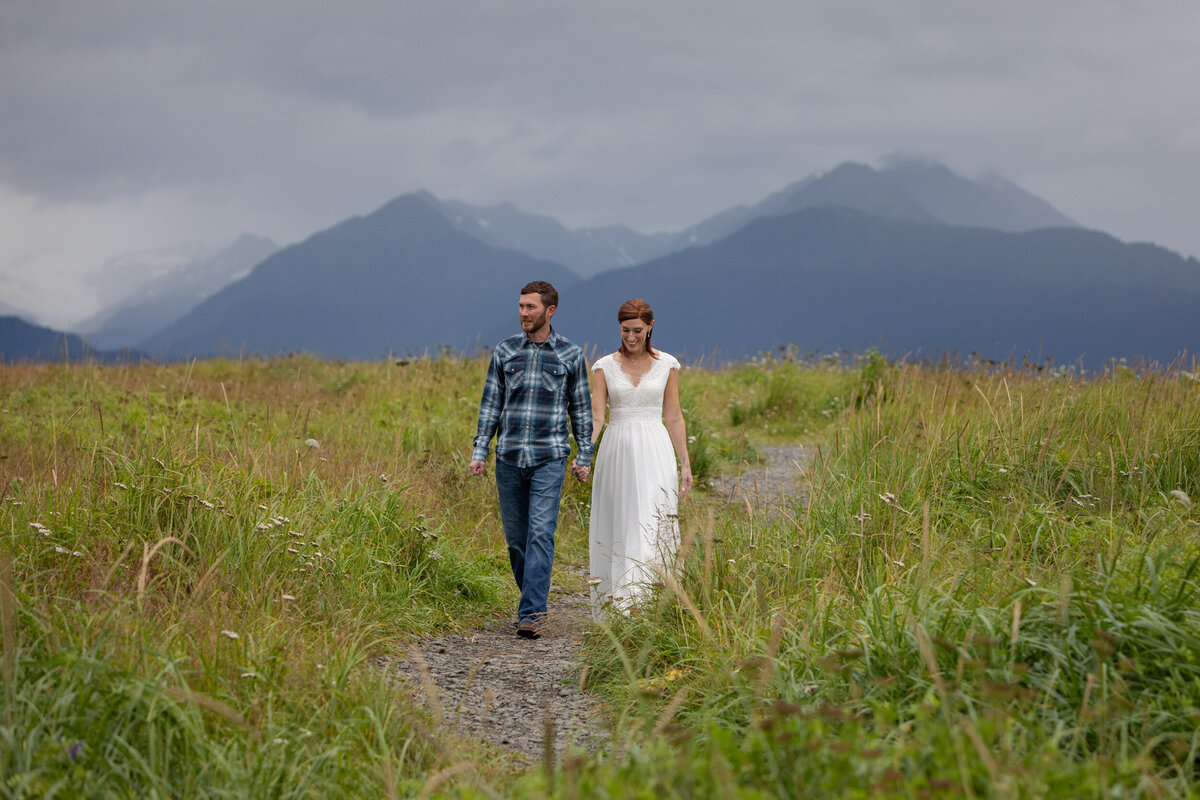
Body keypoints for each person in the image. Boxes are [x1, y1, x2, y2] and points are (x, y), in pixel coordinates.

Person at [470, 281, 593, 639]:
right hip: (508, 458)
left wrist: (584, 454)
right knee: (516, 540)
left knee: (541, 533)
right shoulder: (505, 351)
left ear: (549, 311)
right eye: (521, 306)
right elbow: (491, 404)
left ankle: (532, 613)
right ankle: (533, 595)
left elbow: (581, 410)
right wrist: (481, 450)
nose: (524, 313)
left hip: (549, 458)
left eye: (531, 308)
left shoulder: (570, 355)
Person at [587, 298, 692, 612]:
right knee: (620, 522)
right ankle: (619, 603)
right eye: (625, 330)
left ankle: (650, 603)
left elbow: (673, 416)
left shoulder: (668, 365)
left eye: (637, 330)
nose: (631, 337)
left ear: (650, 328)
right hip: (616, 449)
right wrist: (584, 454)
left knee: (652, 520)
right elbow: (597, 418)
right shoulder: (603, 367)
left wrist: (685, 462)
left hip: (655, 449)